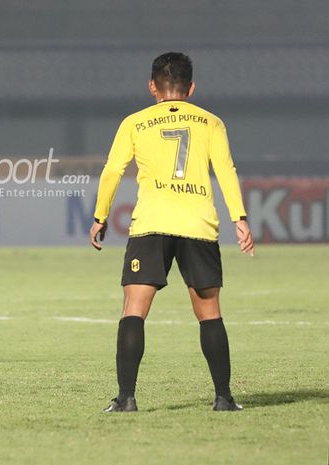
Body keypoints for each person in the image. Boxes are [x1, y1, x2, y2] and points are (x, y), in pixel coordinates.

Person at [89, 52, 254, 412]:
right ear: (191, 88)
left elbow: (113, 171)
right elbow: (226, 170)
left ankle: (126, 399)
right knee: (209, 310)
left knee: (134, 308)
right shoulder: (211, 122)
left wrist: (100, 216)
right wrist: (239, 217)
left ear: (152, 86)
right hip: (198, 224)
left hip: (152, 224)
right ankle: (224, 398)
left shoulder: (134, 122)